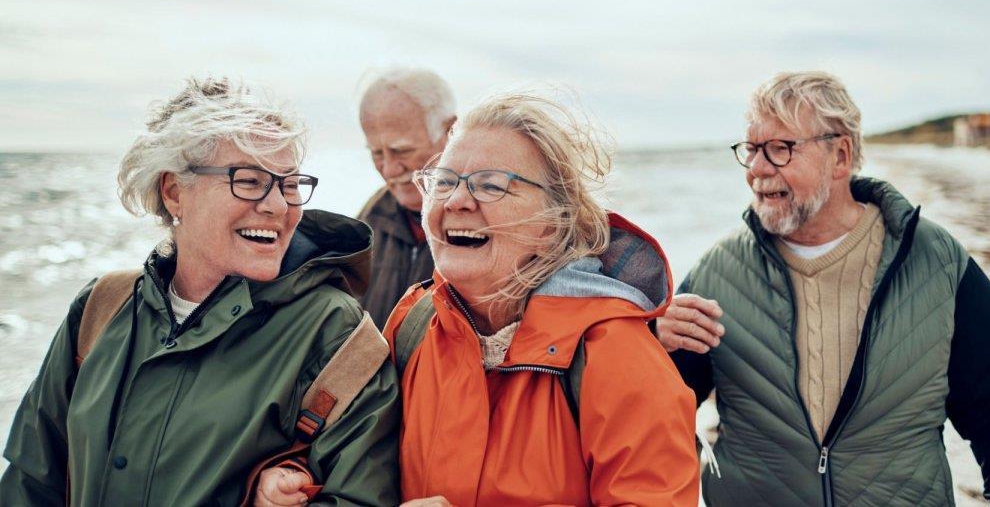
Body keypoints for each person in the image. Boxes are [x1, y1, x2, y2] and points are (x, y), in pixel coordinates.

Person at [258, 92, 700, 506]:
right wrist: (294, 480)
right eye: (444, 181)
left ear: (555, 222)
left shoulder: (616, 354)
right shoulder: (414, 324)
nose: (457, 201)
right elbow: (353, 457)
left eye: (490, 185)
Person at [657, 72, 990, 505]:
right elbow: (653, 419)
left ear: (840, 156)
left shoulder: (934, 261)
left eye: (780, 148)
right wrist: (650, 340)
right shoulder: (717, 275)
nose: (757, 169)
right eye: (751, 149)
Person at [1, 78, 399, 505]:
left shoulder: (336, 333)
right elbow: (31, 483)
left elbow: (359, 499)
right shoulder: (101, 307)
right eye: (249, 181)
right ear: (174, 193)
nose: (278, 206)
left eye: (289, 185)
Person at [356, 67, 457, 325]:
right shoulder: (367, 223)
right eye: (377, 153)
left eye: (402, 150)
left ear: (451, 132)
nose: (389, 169)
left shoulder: (487, 223)